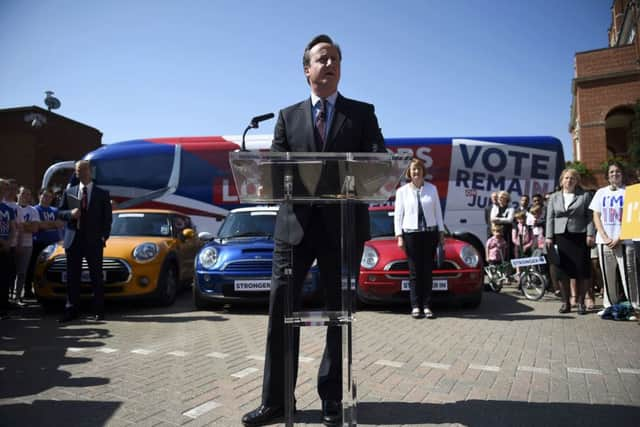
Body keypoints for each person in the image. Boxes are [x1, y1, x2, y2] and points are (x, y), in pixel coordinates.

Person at [241, 35, 385, 427]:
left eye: (336, 58)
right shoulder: (287, 117)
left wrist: (373, 166)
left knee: (338, 315)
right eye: (323, 58)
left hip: (342, 229)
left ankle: (331, 398)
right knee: (279, 310)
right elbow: (275, 172)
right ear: (307, 69)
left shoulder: (362, 114)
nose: (331, 63)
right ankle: (275, 400)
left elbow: (378, 162)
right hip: (295, 229)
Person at [57, 160, 112, 323]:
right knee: (73, 277)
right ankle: (71, 310)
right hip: (74, 240)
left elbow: (107, 219)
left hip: (94, 241)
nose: (80, 173)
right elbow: (60, 212)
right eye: (77, 171)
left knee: (96, 276)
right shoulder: (69, 192)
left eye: (83, 170)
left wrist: (104, 236)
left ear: (90, 171)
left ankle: (98, 311)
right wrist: (70, 214)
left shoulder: (102, 193)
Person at [394, 158, 445, 319]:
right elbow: (398, 216)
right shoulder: (402, 191)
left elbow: (438, 212)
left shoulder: (432, 189)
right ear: (409, 172)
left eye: (419, 169)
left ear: (423, 171)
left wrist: (441, 232)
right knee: (415, 272)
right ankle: (416, 306)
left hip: (430, 234)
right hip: (411, 234)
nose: (416, 172)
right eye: (413, 169)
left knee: (428, 271)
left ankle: (427, 305)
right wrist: (399, 236)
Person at [589, 161, 638, 316]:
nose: (614, 174)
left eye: (617, 171)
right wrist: (604, 236)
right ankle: (610, 305)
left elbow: (633, 217)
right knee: (607, 275)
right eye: (611, 172)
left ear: (622, 174)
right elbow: (596, 215)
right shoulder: (600, 192)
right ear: (607, 176)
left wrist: (619, 237)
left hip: (625, 240)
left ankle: (635, 306)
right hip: (604, 241)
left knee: (629, 275)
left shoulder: (630, 192)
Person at [545, 168, 595, 314]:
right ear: (561, 181)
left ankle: (581, 303)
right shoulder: (554, 197)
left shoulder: (585, 195)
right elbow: (550, 218)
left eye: (572, 178)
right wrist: (549, 236)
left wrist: (590, 234)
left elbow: (590, 217)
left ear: (577, 181)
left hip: (580, 236)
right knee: (562, 271)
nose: (569, 180)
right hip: (561, 236)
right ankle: (566, 303)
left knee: (581, 269)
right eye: (566, 178)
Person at [24, 188, 64, 299]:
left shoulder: (55, 210)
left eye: (49, 197)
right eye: (44, 196)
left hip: (53, 245)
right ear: (39, 196)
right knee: (32, 267)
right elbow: (38, 226)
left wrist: (45, 224)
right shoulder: (34, 210)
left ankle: (47, 289)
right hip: (38, 243)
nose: (47, 198)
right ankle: (28, 290)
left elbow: (60, 224)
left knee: (49, 268)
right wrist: (52, 224)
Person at [13, 187, 40, 304]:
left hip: (27, 244)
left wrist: (20, 225)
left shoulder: (33, 211)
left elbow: (34, 229)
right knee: (10, 272)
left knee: (22, 272)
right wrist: (26, 225)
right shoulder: (12, 207)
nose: (25, 196)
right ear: (18, 194)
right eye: (23, 193)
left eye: (28, 194)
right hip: (12, 243)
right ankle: (8, 297)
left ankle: (17, 296)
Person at [0, 179, 17, 319]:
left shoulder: (8, 209)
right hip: (2, 244)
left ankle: (3, 308)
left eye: (4, 189)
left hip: (6, 247)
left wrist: (9, 242)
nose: (2, 191)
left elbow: (13, 228)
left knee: (5, 278)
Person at [491, 190, 514, 259]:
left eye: (501, 198)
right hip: (497, 233)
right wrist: (503, 219)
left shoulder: (510, 208)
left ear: (506, 199)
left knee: (507, 250)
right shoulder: (495, 208)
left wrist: (498, 220)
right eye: (499, 198)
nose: (499, 199)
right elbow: (492, 219)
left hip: (506, 232)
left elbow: (510, 220)